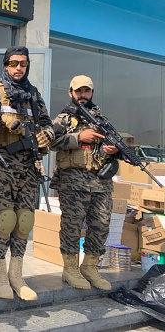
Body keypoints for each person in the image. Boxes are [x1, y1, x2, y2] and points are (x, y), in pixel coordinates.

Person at [0, 46, 54, 301]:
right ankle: (0, 274)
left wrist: (47, 135)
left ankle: (17, 274)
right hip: (1, 163)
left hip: (28, 166)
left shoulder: (33, 94)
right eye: (14, 63)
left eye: (23, 64)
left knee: (24, 220)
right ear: (5, 64)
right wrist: (4, 121)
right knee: (5, 220)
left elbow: (47, 124)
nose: (18, 68)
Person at [49, 75, 117, 291]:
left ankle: (89, 266)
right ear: (70, 93)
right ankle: (70, 269)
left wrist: (111, 149)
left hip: (101, 182)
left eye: (86, 91)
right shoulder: (64, 118)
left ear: (92, 93)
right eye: (78, 91)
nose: (82, 95)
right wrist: (79, 137)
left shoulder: (102, 119)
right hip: (73, 181)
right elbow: (50, 141)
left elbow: (115, 145)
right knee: (72, 226)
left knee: (101, 224)